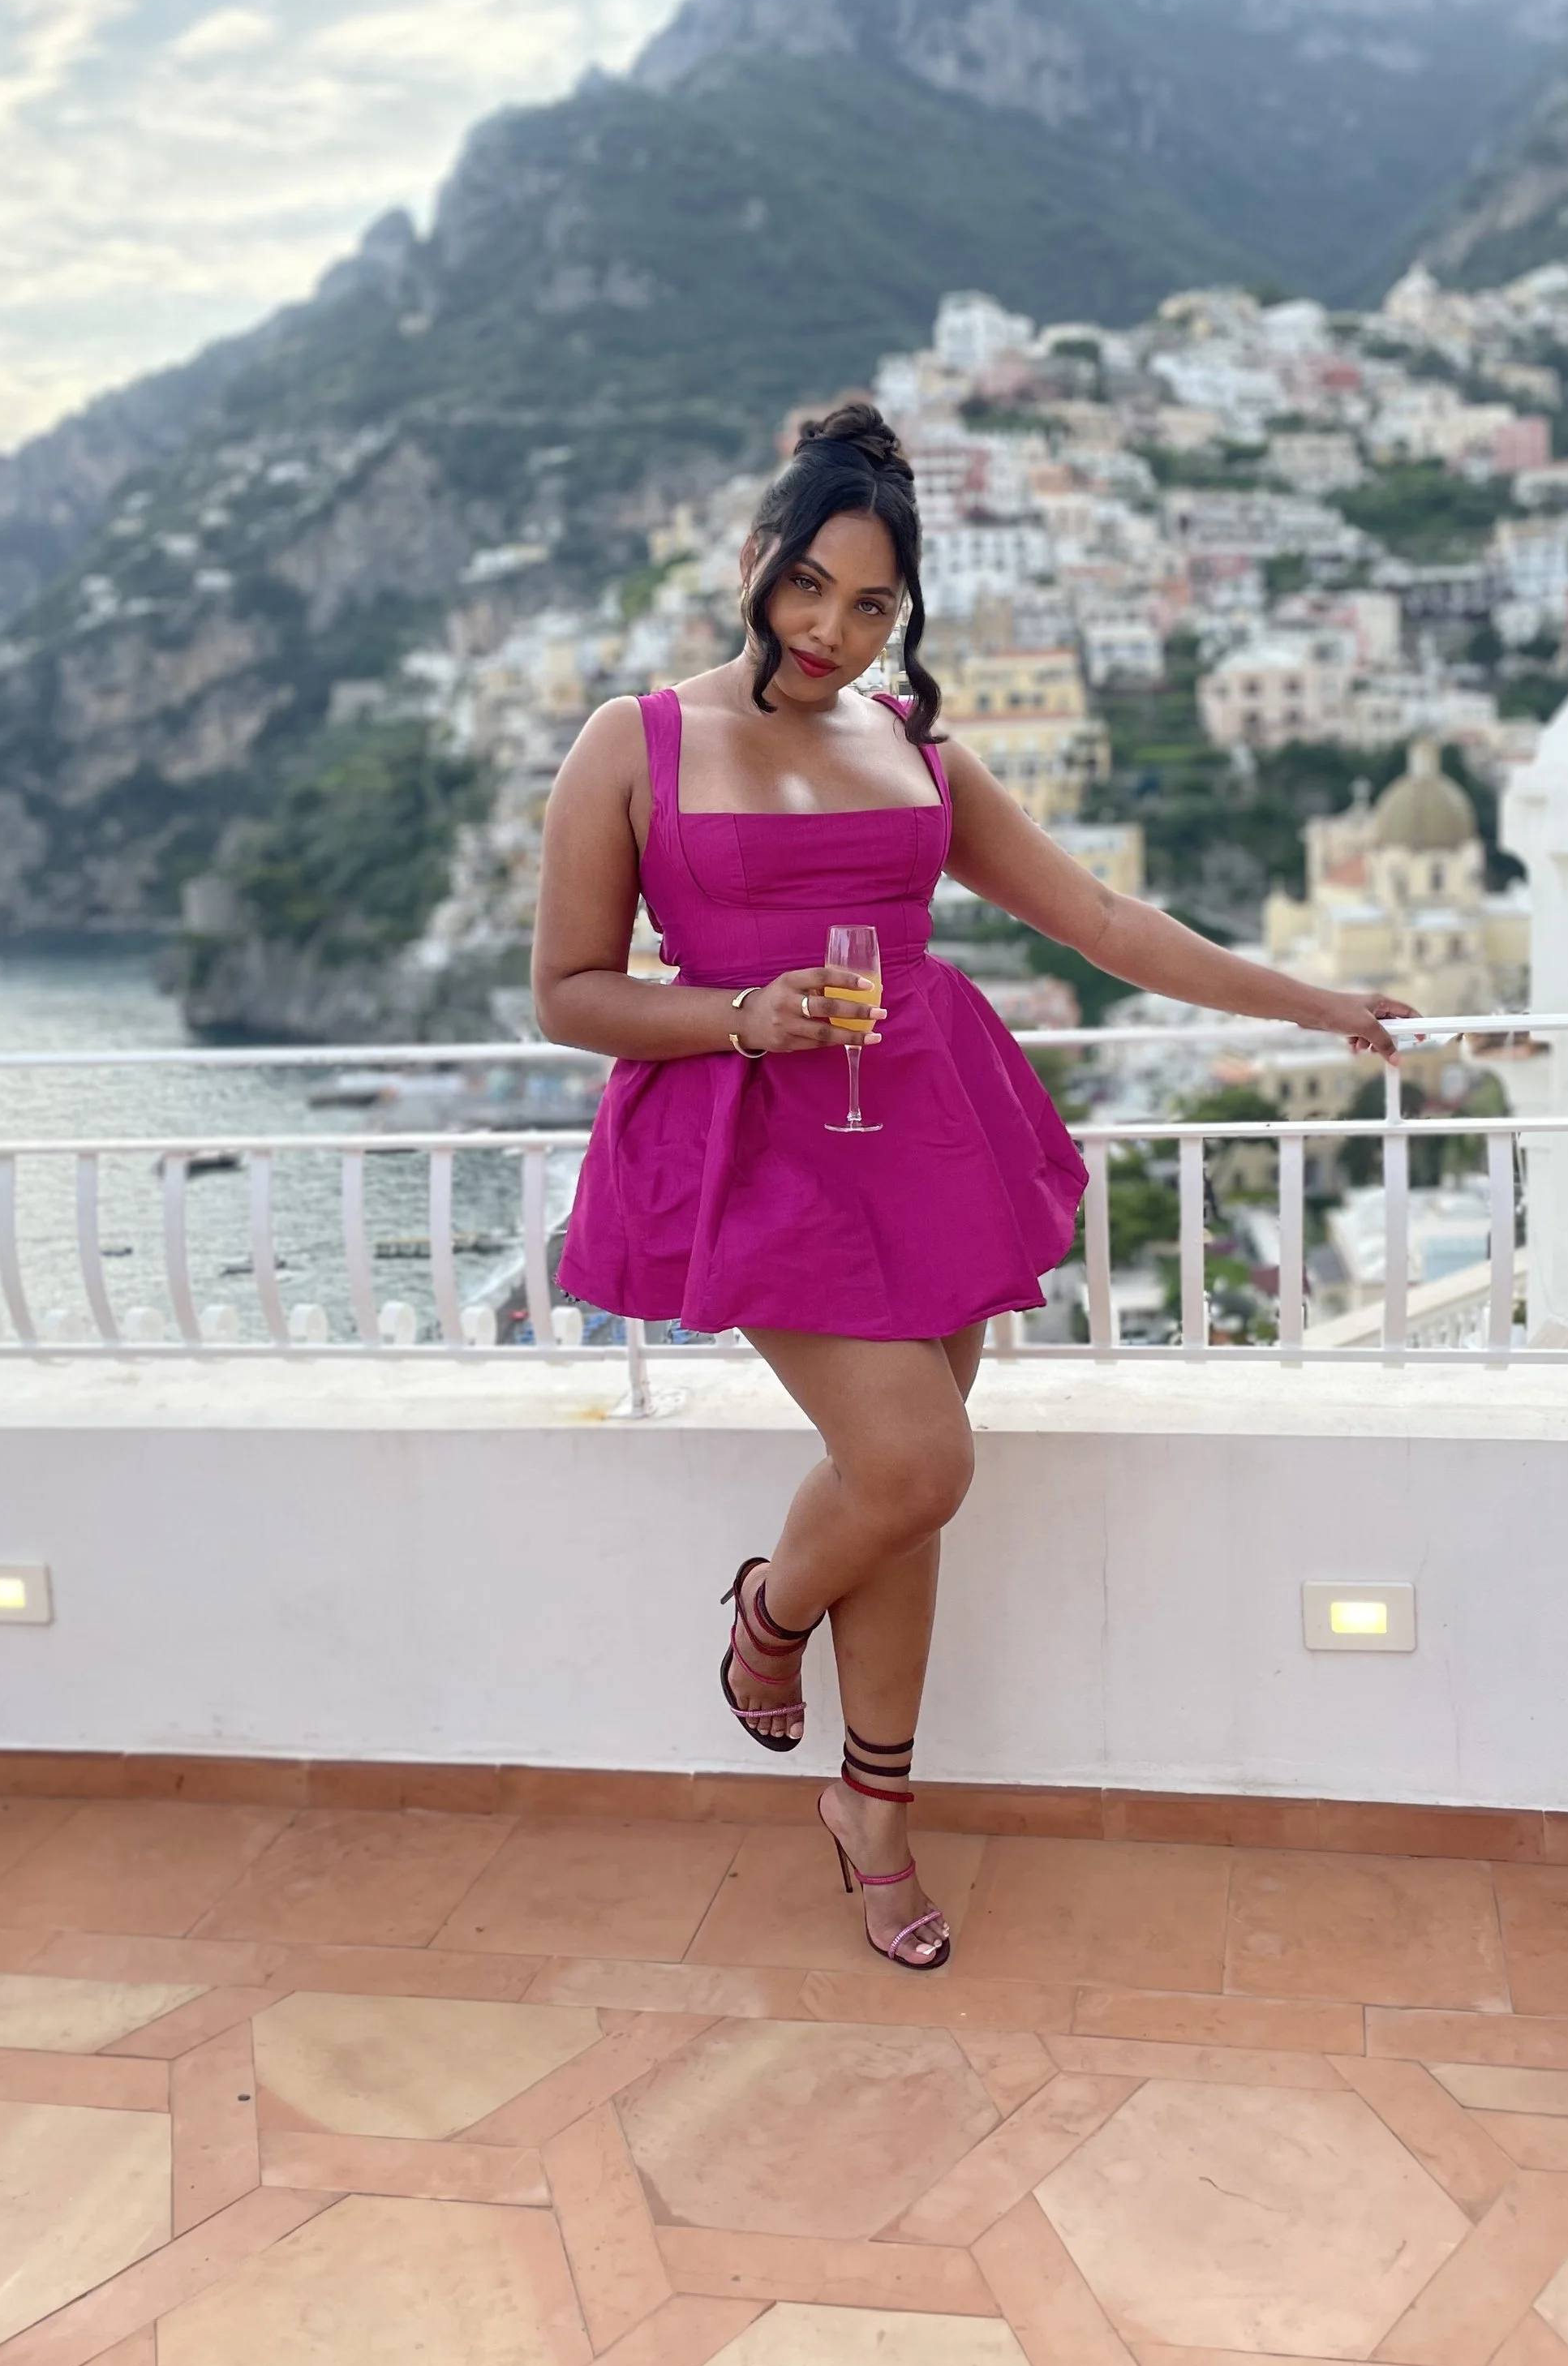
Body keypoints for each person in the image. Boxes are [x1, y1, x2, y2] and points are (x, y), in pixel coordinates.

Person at [532, 403, 1413, 1972]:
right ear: (751, 565)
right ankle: (767, 1621)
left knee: (905, 1490)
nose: (831, 630)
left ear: (905, 614)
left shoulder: (919, 751)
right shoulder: (634, 741)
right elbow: (572, 993)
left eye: (872, 605)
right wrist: (746, 1016)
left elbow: (1106, 921)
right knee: (918, 1462)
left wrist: (1322, 1007)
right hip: (753, 1141)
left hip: (926, 1129)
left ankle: (873, 1809)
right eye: (806, 586)